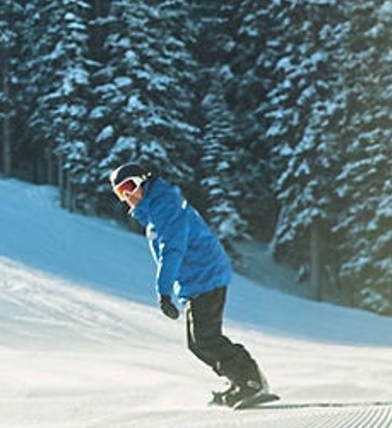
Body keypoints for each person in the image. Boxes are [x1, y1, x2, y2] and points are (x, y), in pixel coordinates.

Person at [110, 161, 271, 408]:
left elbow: (172, 250)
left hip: (206, 274)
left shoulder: (166, 208)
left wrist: (163, 293)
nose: (127, 196)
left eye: (129, 186)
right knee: (196, 343)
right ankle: (240, 380)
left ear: (144, 181)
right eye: (120, 192)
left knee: (205, 337)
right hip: (196, 279)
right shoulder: (155, 211)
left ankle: (250, 381)